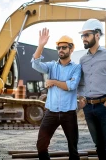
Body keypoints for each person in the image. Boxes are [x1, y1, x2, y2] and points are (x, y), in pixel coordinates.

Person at [31, 28, 81, 160]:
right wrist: (41, 45)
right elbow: (35, 65)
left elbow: (71, 86)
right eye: (58, 48)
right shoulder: (51, 66)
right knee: (41, 145)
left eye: (64, 47)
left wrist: (53, 81)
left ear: (71, 49)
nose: (61, 50)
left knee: (73, 149)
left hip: (69, 114)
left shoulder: (76, 68)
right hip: (51, 112)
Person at [78, 19, 106, 160]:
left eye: (87, 35)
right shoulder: (82, 60)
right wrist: (81, 99)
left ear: (97, 35)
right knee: (99, 146)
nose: (84, 39)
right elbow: (81, 84)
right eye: (82, 36)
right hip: (89, 108)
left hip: (104, 107)